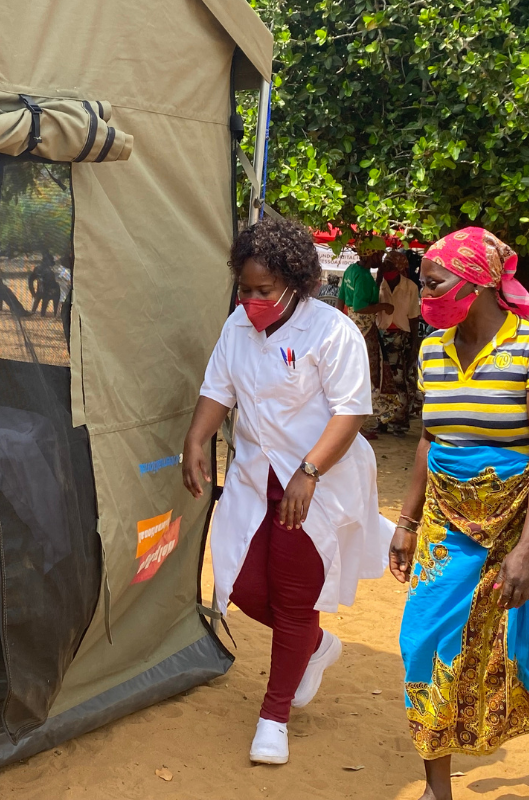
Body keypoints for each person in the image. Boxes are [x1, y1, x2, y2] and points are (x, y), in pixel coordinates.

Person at [388, 227, 529, 798]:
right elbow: (430, 439)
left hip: (522, 516)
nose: (425, 291)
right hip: (448, 519)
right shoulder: (433, 349)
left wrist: (528, 550)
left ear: (479, 281)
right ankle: (439, 786)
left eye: (434, 281)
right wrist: (407, 523)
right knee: (424, 640)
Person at [183, 217, 389, 765]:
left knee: (295, 601)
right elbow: (216, 389)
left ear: (296, 283)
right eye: (244, 289)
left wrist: (309, 472)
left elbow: (351, 413)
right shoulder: (236, 329)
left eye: (263, 291)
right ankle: (315, 647)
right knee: (243, 589)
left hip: (314, 487)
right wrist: (196, 438)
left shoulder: (331, 333)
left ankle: (274, 717)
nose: (251, 300)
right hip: (256, 481)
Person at [336, 236, 393, 437]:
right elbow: (361, 306)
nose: (382, 258)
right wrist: (384, 306)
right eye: (380, 254)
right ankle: (357, 427)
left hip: (351, 326)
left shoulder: (352, 271)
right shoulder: (363, 277)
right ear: (372, 255)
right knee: (367, 375)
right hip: (364, 329)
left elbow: (341, 298)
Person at [374, 250, 422, 436]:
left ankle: (400, 423)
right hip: (381, 334)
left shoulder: (410, 287)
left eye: (390, 266)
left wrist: (414, 345)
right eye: (385, 266)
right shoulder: (379, 284)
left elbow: (413, 318)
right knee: (381, 381)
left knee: (399, 382)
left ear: (400, 268)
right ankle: (382, 420)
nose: (387, 269)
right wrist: (378, 280)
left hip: (401, 337)